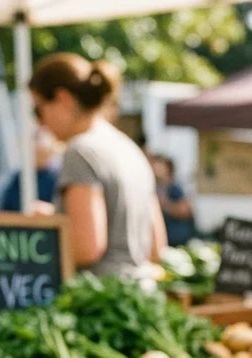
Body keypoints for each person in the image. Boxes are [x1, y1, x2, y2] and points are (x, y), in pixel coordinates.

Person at [29, 53, 165, 277]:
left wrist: (44, 231)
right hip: (140, 296)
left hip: (99, 301)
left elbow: (86, 249)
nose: (39, 122)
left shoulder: (80, 151)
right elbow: (156, 247)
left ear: (63, 98)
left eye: (38, 109)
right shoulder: (130, 149)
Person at [0, 129, 60, 212]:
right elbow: (6, 206)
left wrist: (49, 209)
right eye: (37, 153)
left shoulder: (57, 177)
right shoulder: (19, 178)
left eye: (43, 153)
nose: (40, 157)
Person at [153, 155, 195, 246]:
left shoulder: (176, 187)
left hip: (178, 238)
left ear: (168, 168)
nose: (156, 167)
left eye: (160, 165)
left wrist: (164, 204)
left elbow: (185, 210)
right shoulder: (157, 187)